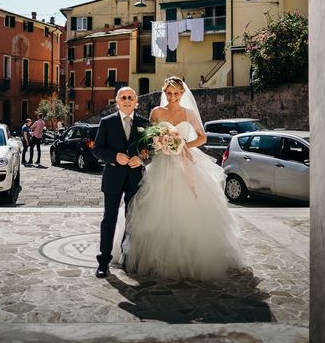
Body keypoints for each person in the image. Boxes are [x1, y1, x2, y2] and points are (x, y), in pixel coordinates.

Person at [122, 76, 246, 280]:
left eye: (176, 93)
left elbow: (202, 136)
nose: (172, 97)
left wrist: (182, 146)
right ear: (164, 93)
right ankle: (154, 258)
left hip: (186, 163)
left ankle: (191, 259)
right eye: (169, 93)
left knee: (187, 208)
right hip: (161, 163)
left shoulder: (188, 113)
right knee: (157, 207)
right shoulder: (156, 112)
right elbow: (149, 137)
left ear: (182, 94)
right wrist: (161, 144)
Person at [92, 87, 149, 278]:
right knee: (109, 219)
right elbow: (97, 149)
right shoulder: (106, 123)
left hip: (135, 179)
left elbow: (151, 151)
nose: (127, 101)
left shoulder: (145, 123)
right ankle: (103, 261)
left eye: (130, 98)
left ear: (136, 101)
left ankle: (127, 257)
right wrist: (115, 156)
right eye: (123, 97)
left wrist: (141, 159)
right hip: (113, 178)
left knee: (132, 220)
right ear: (117, 101)